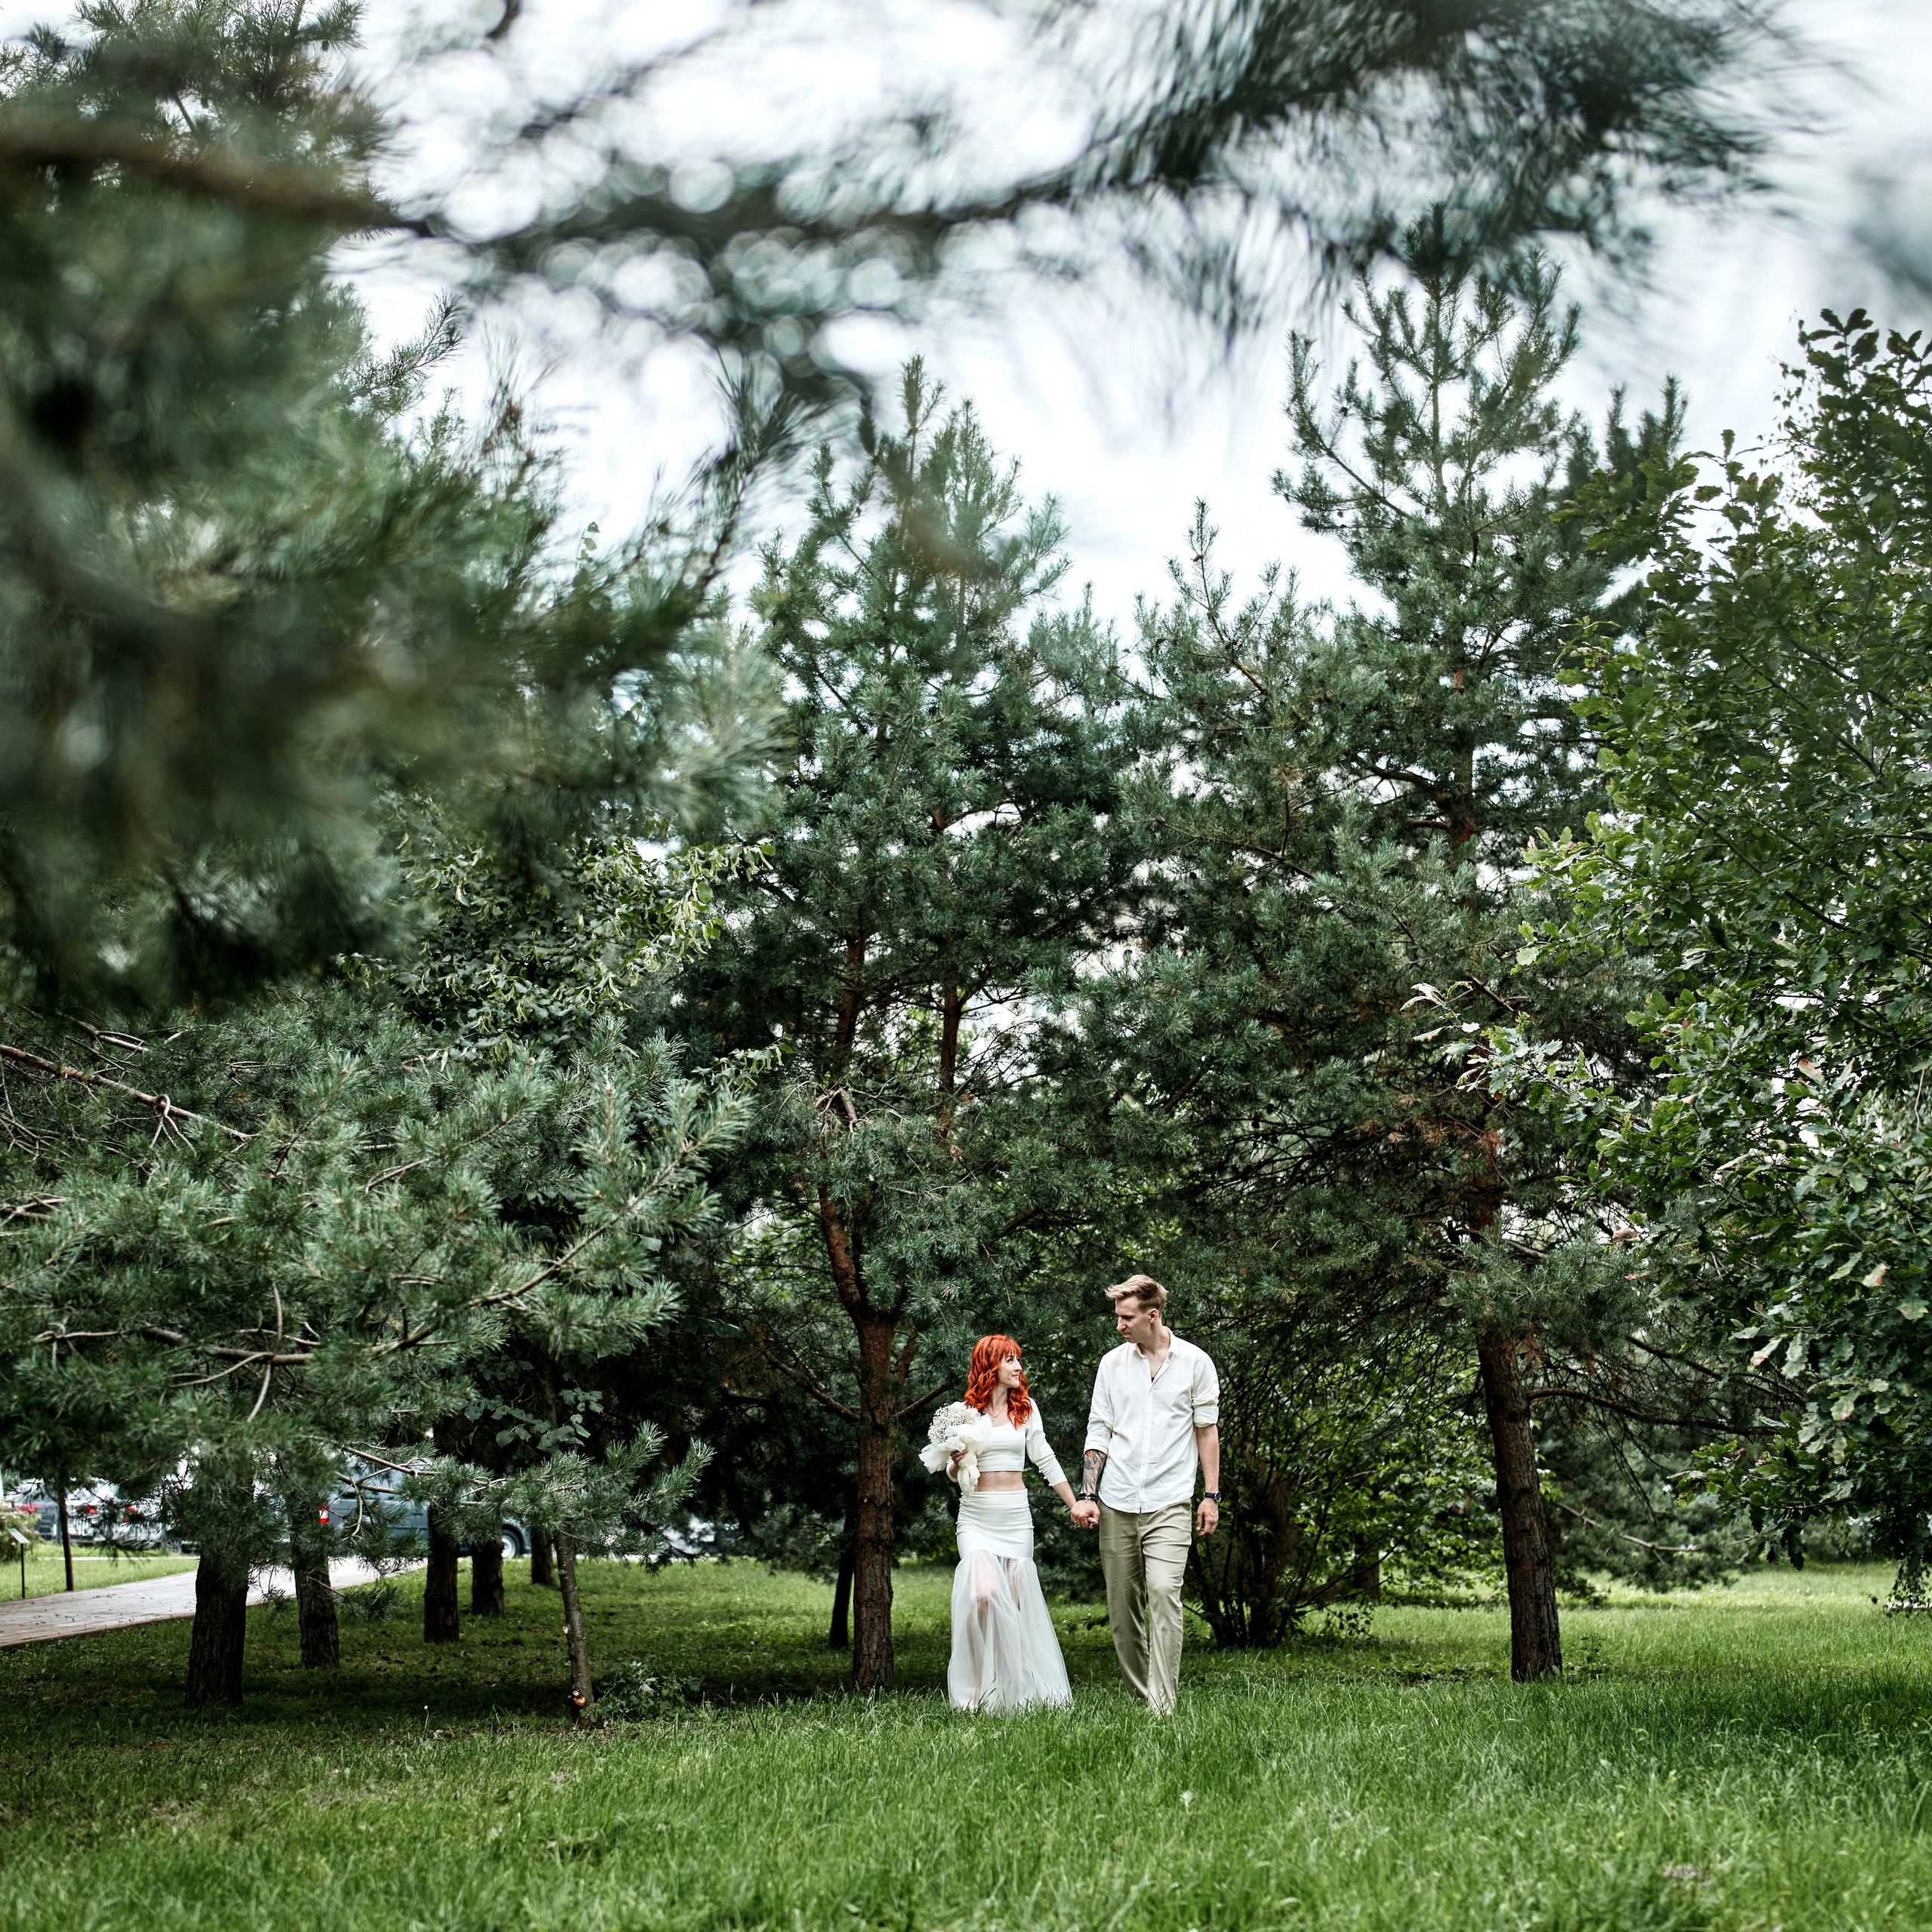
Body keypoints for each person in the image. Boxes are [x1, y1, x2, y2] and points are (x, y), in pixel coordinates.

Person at [1071, 1274, 1220, 1714]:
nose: (1119, 1325)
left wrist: (1211, 1494)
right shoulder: (1112, 1365)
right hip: (1116, 1499)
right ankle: (1142, 1697)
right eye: (1118, 1316)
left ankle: (1163, 1705)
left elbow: (1206, 1431)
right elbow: (1099, 1431)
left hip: (1171, 1500)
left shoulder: (1195, 1363)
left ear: (1152, 1316)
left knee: (1162, 1591)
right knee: (1122, 1612)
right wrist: (1088, 1494)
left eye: (1126, 1317)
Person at [946, 1334, 1081, 1713]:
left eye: (1018, 1360)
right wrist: (957, 1460)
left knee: (1017, 1604)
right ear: (990, 1366)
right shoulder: (965, 1413)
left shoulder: (1027, 1410)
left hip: (1015, 1518)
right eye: (1009, 1360)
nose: (1018, 1367)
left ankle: (1013, 1693)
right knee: (984, 1595)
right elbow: (953, 1471)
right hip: (976, 1517)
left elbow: (1046, 1460)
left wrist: (1075, 1505)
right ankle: (975, 1692)